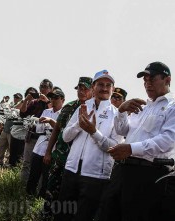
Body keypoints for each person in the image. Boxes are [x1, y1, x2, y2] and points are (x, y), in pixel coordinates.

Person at [99, 62, 175, 221]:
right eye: (145, 80)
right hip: (122, 171)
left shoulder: (172, 106)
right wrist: (121, 111)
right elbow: (123, 131)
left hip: (148, 174)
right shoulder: (142, 106)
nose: (147, 84)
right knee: (108, 213)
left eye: (152, 79)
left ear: (167, 80)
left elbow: (167, 140)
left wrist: (131, 149)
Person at [54, 70, 123, 221]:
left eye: (108, 85)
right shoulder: (82, 108)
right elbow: (65, 137)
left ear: (112, 88)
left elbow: (114, 148)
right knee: (62, 215)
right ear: (93, 87)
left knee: (83, 216)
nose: (104, 88)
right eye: (100, 84)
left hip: (96, 177)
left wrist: (93, 132)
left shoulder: (116, 115)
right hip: (71, 170)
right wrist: (79, 124)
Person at [42, 77, 93, 219]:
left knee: (68, 196)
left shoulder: (95, 109)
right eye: (79, 88)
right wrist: (48, 152)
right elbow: (57, 130)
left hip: (77, 163)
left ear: (92, 90)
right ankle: (46, 215)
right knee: (50, 190)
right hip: (59, 157)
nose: (81, 92)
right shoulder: (69, 107)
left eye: (85, 89)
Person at [26, 88, 65, 198]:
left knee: (46, 178)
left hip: (52, 149)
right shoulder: (46, 111)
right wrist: (45, 125)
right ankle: (28, 196)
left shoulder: (63, 115)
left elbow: (62, 131)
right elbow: (38, 129)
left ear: (63, 100)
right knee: (33, 175)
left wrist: (51, 122)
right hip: (39, 146)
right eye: (52, 97)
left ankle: (40, 200)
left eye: (56, 98)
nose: (53, 100)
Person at [20, 79, 53, 184]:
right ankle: (22, 186)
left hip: (45, 139)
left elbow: (56, 113)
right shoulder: (34, 102)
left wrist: (47, 101)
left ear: (51, 89)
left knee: (40, 166)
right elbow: (22, 114)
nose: (42, 89)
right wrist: (26, 100)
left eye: (45, 87)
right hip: (32, 136)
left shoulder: (53, 101)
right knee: (26, 162)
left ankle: (36, 190)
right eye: (41, 87)